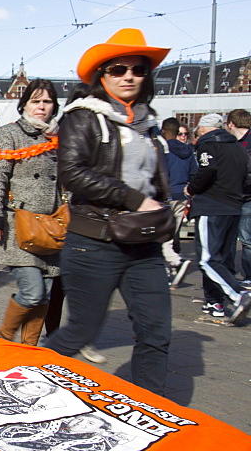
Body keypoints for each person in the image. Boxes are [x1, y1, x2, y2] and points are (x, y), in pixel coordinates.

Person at [46, 28, 174, 394]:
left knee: (156, 332)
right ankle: (24, 383)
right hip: (94, 243)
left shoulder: (149, 123)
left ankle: (156, 408)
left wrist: (164, 210)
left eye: (138, 69)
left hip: (143, 243)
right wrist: (134, 199)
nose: (129, 76)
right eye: (119, 69)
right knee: (80, 332)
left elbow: (154, 180)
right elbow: (72, 173)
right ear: (102, 75)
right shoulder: (83, 117)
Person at [0, 80, 63, 346]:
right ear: (24, 104)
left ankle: (29, 349)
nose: (41, 107)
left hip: (52, 227)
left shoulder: (59, 138)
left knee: (46, 295)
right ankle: (3, 338)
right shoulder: (10, 133)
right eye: (36, 101)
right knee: (32, 293)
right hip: (20, 223)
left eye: (47, 101)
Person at [187, 113, 251, 322]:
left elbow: (208, 170)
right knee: (222, 258)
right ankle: (215, 301)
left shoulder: (208, 146)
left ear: (204, 129)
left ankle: (236, 294)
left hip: (212, 206)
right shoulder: (238, 149)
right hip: (233, 207)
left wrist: (192, 188)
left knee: (207, 259)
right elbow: (246, 176)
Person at [157, 117, 196, 285]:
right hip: (182, 195)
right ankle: (170, 267)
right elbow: (194, 173)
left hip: (166, 196)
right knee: (172, 234)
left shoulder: (163, 150)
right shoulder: (188, 151)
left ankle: (172, 265)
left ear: (164, 131)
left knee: (159, 234)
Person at [224, 109, 251, 285]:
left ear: (231, 124)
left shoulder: (246, 144)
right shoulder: (232, 143)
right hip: (233, 197)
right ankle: (229, 273)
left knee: (246, 238)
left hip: (246, 196)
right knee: (231, 238)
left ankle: (248, 275)